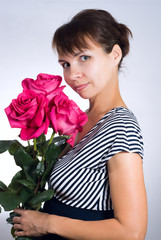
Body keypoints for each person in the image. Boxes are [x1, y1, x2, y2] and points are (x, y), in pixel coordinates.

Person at [13, 9, 148, 240]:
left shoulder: (121, 127)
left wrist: (47, 223)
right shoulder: (82, 120)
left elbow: (132, 232)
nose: (72, 74)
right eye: (65, 63)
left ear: (115, 54)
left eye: (84, 57)